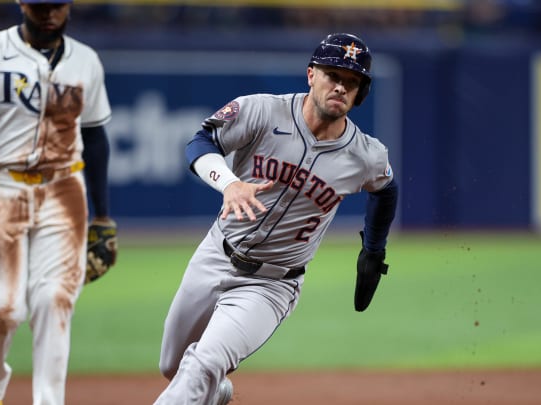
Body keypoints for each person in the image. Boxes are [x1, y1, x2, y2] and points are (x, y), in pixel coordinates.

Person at [155, 33, 398, 404]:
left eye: (352, 82)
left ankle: (207, 381)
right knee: (173, 368)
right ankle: (216, 394)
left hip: (272, 284)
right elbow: (201, 142)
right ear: (311, 74)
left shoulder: (366, 155)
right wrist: (230, 184)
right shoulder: (262, 111)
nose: (341, 86)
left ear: (361, 92)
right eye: (333, 75)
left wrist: (373, 250)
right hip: (216, 255)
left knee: (204, 363)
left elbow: (386, 189)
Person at [0, 1, 115, 404]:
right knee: (1, 310)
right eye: (40, 4)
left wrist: (104, 217)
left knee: (54, 301)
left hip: (64, 189)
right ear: (22, 4)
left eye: (56, 5)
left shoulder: (86, 61)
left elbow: (95, 140)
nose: (48, 13)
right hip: (0, 187)